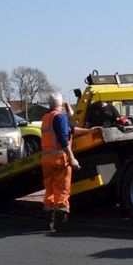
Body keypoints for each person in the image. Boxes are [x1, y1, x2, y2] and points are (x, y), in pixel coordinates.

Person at [40, 91, 96, 232]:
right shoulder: (60, 117)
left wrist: (87, 131)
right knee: (62, 189)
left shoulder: (46, 118)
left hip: (46, 159)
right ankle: (62, 223)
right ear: (60, 104)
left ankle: (49, 221)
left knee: (50, 189)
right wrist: (72, 158)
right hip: (59, 159)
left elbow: (70, 129)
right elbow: (64, 139)